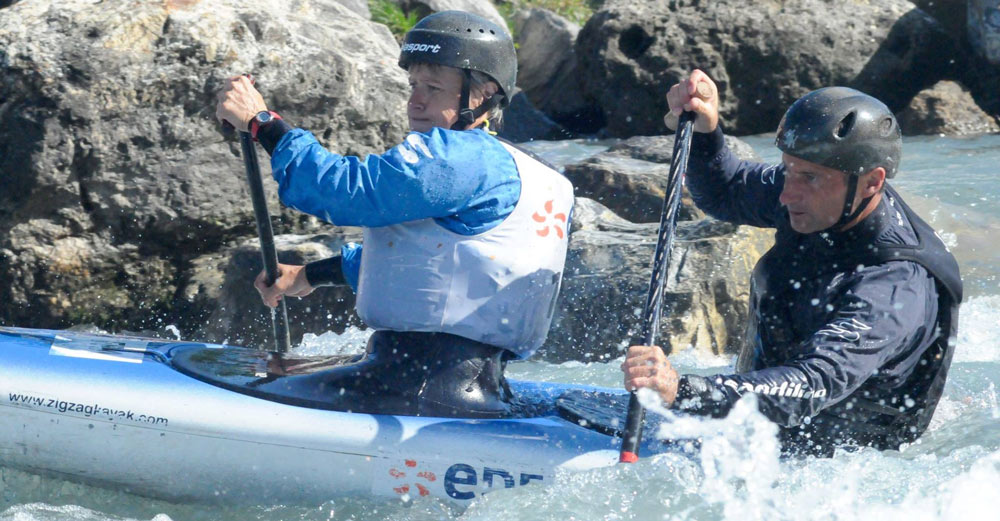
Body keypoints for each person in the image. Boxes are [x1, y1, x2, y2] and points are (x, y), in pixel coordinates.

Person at [215, 11, 574, 418]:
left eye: (433, 88)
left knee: (256, 380)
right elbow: (439, 263)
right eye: (413, 85)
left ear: (482, 94)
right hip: (477, 387)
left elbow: (345, 191)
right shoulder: (535, 173)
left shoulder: (458, 158)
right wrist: (309, 276)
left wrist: (263, 122)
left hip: (412, 388)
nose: (415, 101)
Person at [622, 70, 962, 457]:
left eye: (810, 177)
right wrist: (705, 132)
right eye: (787, 168)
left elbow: (812, 383)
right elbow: (726, 190)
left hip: (837, 474)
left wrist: (684, 391)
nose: (786, 193)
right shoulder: (821, 196)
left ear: (872, 182)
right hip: (755, 432)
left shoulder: (895, 286)